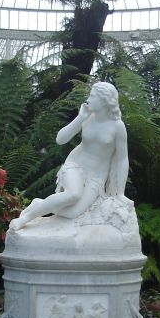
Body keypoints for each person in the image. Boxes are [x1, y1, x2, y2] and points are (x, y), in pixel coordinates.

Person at [9, 82, 130, 230]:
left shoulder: (117, 126)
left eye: (92, 96)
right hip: (76, 165)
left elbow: (123, 159)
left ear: (104, 101)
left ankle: (40, 204)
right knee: (73, 194)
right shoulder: (87, 117)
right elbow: (60, 139)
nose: (88, 99)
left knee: (73, 212)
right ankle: (27, 218)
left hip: (97, 176)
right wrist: (80, 118)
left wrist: (120, 193)